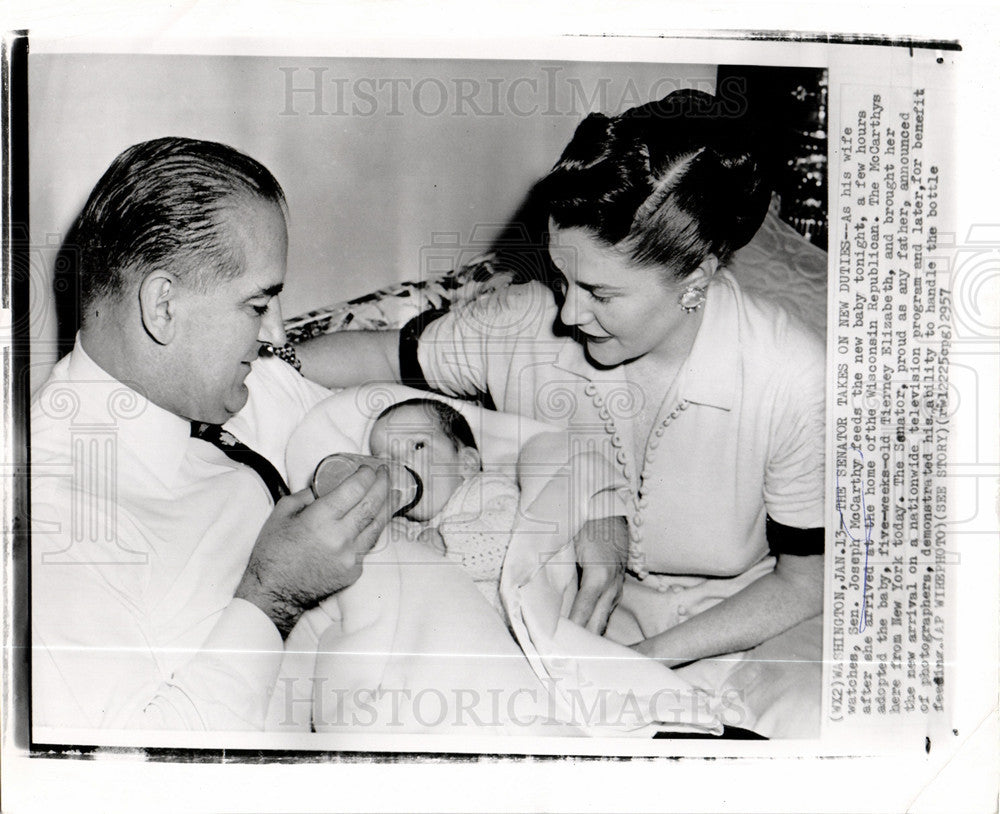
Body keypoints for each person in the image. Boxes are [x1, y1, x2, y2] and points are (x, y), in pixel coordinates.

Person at [295, 90, 824, 734]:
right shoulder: (524, 323)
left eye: (600, 292)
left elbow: (806, 584)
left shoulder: (794, 378)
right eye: (561, 277)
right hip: (568, 630)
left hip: (744, 635)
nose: (569, 314)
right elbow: (376, 354)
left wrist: (637, 664)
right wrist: (257, 365)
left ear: (698, 275)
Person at [30, 137, 391, 732]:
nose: (278, 335)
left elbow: (385, 423)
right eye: (258, 305)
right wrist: (271, 598)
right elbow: (121, 779)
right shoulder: (55, 520)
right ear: (163, 306)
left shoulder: (239, 385)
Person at [368, 398, 520, 612]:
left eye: (417, 446)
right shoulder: (400, 526)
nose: (398, 465)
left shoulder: (485, 488)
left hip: (491, 623)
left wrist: (446, 543)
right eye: (384, 462)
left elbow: (510, 536)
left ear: (466, 463)